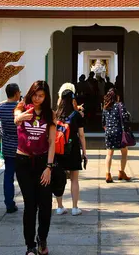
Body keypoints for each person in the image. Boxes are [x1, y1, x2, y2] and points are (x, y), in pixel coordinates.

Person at [14, 80, 56, 255]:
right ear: (30, 93)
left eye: (41, 96)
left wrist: (49, 167)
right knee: (30, 204)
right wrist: (20, 117)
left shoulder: (49, 114)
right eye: (35, 95)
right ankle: (30, 245)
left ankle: (42, 238)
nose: (37, 99)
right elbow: (16, 118)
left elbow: (52, 142)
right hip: (23, 161)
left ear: (46, 97)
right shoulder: (22, 107)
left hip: (42, 163)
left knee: (45, 204)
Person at [55, 88, 87, 216]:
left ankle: (59, 206)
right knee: (74, 179)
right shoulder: (76, 115)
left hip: (59, 149)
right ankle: (74, 208)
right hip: (72, 149)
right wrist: (84, 152)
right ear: (73, 99)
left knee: (58, 178)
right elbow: (82, 135)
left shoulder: (57, 114)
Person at [0, 82, 21, 213]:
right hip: (21, 146)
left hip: (7, 145)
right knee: (23, 176)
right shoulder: (20, 108)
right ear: (16, 93)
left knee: (8, 176)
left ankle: (9, 203)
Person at [102, 87, 132, 183]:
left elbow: (103, 121)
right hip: (119, 131)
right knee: (124, 152)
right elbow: (125, 118)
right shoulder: (120, 105)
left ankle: (108, 174)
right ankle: (122, 172)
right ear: (117, 96)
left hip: (109, 131)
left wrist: (107, 128)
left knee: (109, 153)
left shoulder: (105, 106)